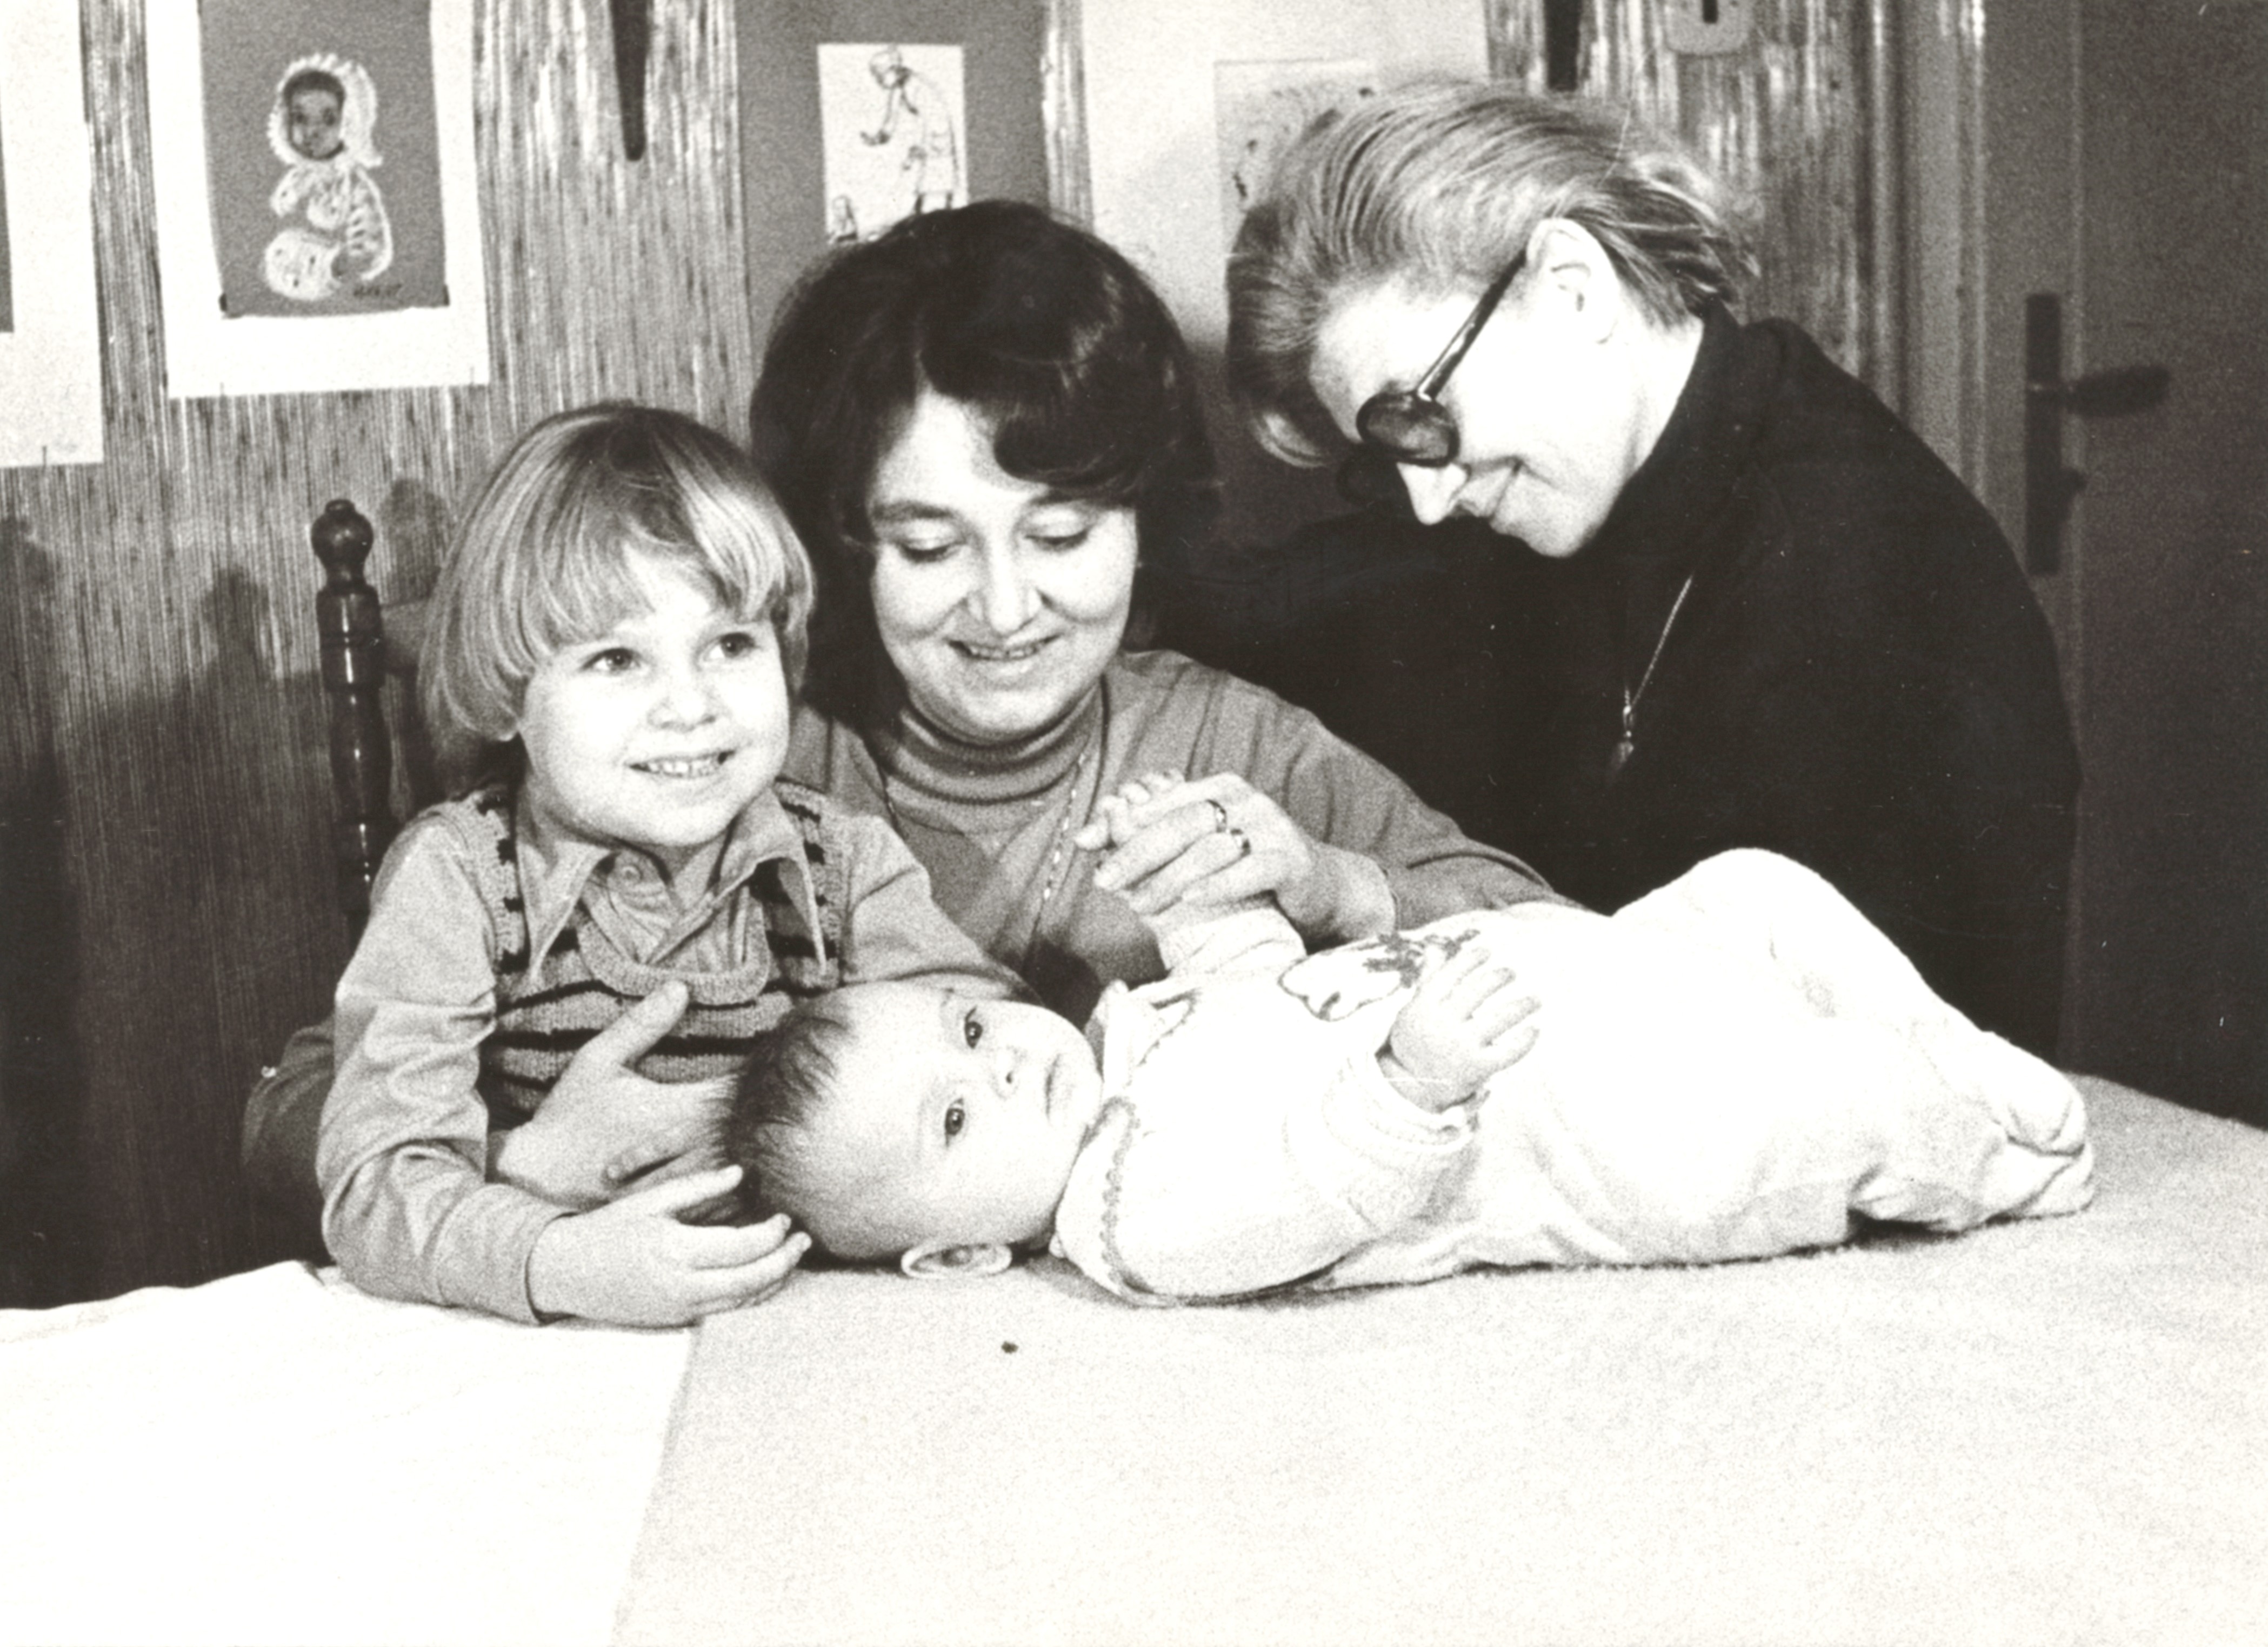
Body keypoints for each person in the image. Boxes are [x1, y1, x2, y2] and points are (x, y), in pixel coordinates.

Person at [243, 201, 1559, 1232]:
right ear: (844, 543)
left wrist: (1333, 885)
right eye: (930, 546)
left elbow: (1559, 948)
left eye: (1061, 533)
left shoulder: (1236, 745)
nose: (1006, 605)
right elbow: (291, 1107)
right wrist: (515, 1160)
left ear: (1143, 522)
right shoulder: (719, 758)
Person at [1221, 82, 2079, 1058]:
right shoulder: (1619, 479)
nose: (1426, 500)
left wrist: (1372, 901)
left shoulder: (1856, 591)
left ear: (1572, 288)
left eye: (1417, 421)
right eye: (1386, 457)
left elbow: (1823, 1071)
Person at [721, 776, 2096, 1305]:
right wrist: (1404, 1084)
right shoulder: (1130, 1217)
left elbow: (1253, 981)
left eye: (969, 1025)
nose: (1003, 1060)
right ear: (959, 1252)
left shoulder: (1129, 1040)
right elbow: (1305, 1189)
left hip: (1571, 983)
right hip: (1587, 1132)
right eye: (955, 1118)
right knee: (1808, 1110)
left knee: (1750, 887)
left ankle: (1934, 1038)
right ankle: (2004, 1149)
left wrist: (1184, 893)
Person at [312, 403, 1015, 1326]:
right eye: (617, 659)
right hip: (555, 1336)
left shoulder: (842, 864)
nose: (690, 705)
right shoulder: (461, 879)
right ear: (508, 697)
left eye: (730, 645)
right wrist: (554, 1258)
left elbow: (993, 1043)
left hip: (810, 1322)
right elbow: (375, 1182)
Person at [263, 55, 393, 302]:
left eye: (328, 120)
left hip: (329, 285)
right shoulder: (295, 179)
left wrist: (338, 267)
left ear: (348, 123)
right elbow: (274, 220)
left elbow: (371, 247)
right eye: (300, 119)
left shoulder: (352, 185)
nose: (312, 131)